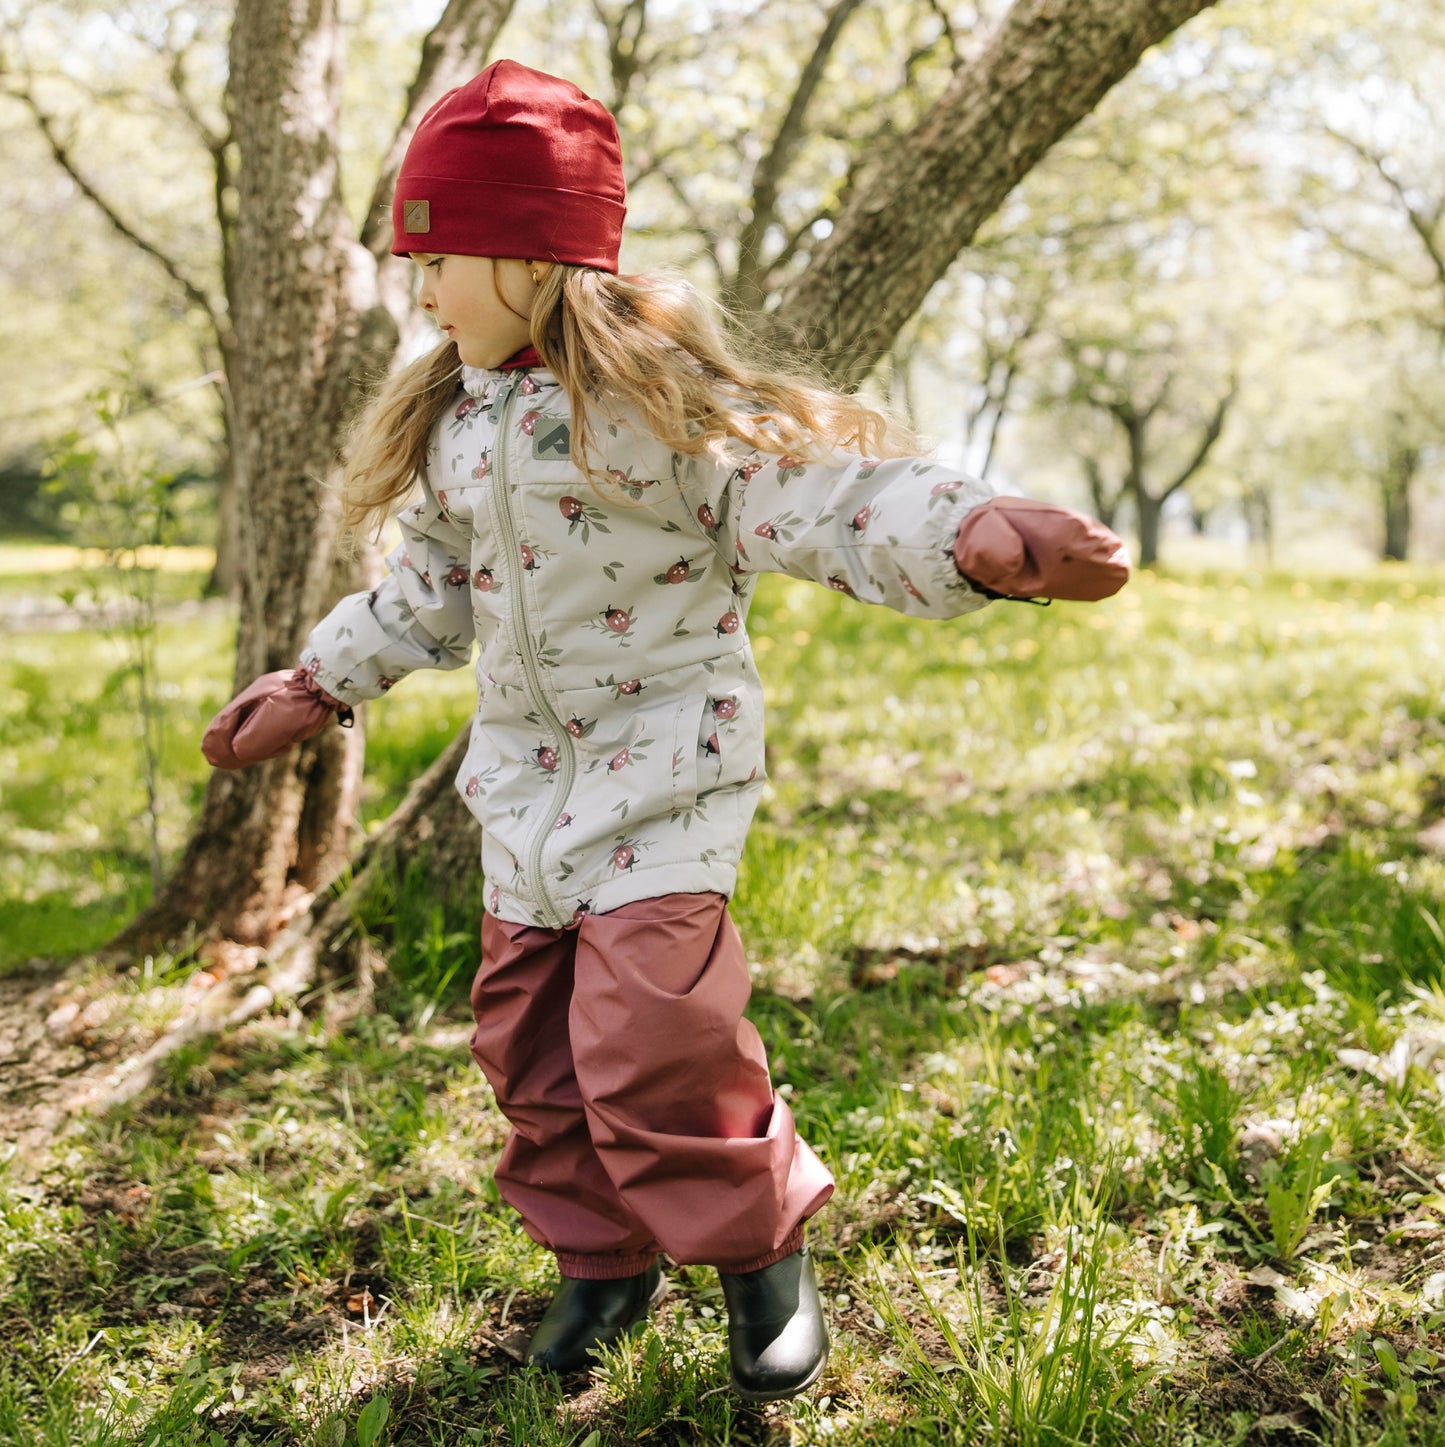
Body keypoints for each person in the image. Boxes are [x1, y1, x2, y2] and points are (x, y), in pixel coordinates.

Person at [202, 58, 1129, 1401]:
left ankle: (763, 1262)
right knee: (530, 1057)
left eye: (439, 257)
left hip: (663, 787)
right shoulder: (459, 428)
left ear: (531, 258)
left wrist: (970, 537)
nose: (421, 290)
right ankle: (603, 1268)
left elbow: (823, 498)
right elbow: (428, 590)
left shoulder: (659, 419)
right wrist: (321, 679)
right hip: (521, 800)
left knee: (662, 1048)